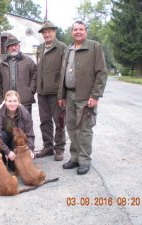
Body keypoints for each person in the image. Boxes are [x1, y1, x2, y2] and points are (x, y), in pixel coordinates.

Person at [58, 21, 108, 175]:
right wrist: (62, 95)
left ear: (85, 31)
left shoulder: (94, 47)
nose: (78, 32)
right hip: (70, 95)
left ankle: (84, 160)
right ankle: (74, 157)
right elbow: (63, 74)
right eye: (75, 29)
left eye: (81, 29)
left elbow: (101, 73)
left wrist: (95, 95)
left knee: (84, 129)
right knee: (71, 128)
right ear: (71, 32)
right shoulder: (68, 49)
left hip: (86, 97)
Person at [35, 21, 67, 161]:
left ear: (55, 32)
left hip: (56, 94)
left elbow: (65, 73)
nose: (47, 34)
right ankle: (48, 147)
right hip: (42, 93)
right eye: (44, 32)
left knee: (59, 122)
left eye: (49, 31)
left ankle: (59, 148)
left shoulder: (62, 48)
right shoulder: (40, 48)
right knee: (45, 121)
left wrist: (62, 94)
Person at [0, 90, 35, 171]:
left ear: (18, 101)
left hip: (17, 143)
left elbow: (30, 134)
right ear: (5, 102)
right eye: (9, 101)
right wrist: (8, 152)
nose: (12, 104)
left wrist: (30, 149)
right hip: (4, 141)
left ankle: (13, 160)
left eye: (15, 101)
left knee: (14, 168)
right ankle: (2, 158)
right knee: (1, 135)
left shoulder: (25, 114)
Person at [0, 35, 37, 114]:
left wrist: (31, 90)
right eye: (11, 46)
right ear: (7, 48)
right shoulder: (2, 63)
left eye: (15, 45)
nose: (13, 48)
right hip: (8, 101)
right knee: (9, 124)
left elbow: (35, 75)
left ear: (19, 46)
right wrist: (0, 97)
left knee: (26, 123)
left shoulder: (28, 61)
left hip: (24, 100)